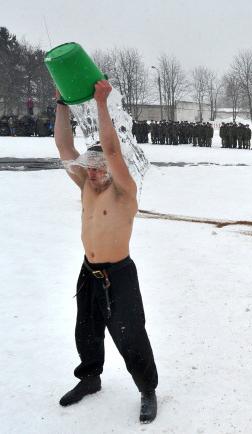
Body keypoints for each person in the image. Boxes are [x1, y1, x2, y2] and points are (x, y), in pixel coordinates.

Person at [53, 80, 158, 423]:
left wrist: (101, 103)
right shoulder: (86, 185)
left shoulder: (124, 191)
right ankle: (90, 378)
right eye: (92, 166)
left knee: (130, 335)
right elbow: (65, 148)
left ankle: (147, 389)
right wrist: (61, 105)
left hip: (119, 274)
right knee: (86, 327)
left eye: (100, 167)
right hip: (89, 271)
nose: (95, 172)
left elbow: (112, 150)